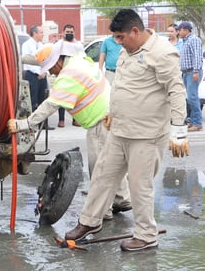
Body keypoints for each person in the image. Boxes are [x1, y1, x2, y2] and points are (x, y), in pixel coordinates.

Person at [64, 9, 189, 252]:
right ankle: (89, 222)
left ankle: (146, 235)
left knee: (139, 186)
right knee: (102, 176)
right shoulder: (126, 50)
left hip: (146, 135)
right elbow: (121, 85)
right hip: (120, 130)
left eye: (121, 37)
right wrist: (112, 112)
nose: (118, 42)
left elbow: (176, 90)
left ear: (135, 30)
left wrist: (179, 130)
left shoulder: (161, 53)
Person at [8, 40, 131, 219]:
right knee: (113, 164)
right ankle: (121, 199)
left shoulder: (68, 76)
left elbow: (51, 105)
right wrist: (15, 57)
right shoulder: (79, 60)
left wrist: (23, 124)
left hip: (100, 124)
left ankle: (103, 211)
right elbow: (38, 57)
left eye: (50, 68)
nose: (50, 72)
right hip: (113, 116)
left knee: (100, 169)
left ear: (58, 61)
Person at [22, 25, 54, 130]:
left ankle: (43, 124)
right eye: (41, 32)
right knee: (32, 100)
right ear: (34, 33)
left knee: (43, 99)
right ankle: (29, 125)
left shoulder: (42, 45)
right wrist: (38, 73)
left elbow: (46, 60)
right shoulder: (26, 45)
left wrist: (44, 72)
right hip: (32, 75)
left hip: (42, 75)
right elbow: (28, 60)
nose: (42, 34)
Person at [177, 21, 203, 132]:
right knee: (190, 98)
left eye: (180, 30)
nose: (178, 32)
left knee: (193, 98)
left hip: (192, 72)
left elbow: (197, 56)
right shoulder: (185, 41)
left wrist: (196, 71)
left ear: (186, 30)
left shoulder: (194, 40)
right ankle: (193, 121)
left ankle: (197, 123)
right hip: (186, 72)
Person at [57, 24, 84, 128]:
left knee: (75, 97)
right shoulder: (60, 44)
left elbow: (82, 58)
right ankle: (61, 120)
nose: (69, 33)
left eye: (71, 32)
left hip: (75, 75)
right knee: (61, 97)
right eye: (67, 32)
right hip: (62, 74)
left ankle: (76, 119)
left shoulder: (78, 45)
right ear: (63, 33)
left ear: (74, 33)